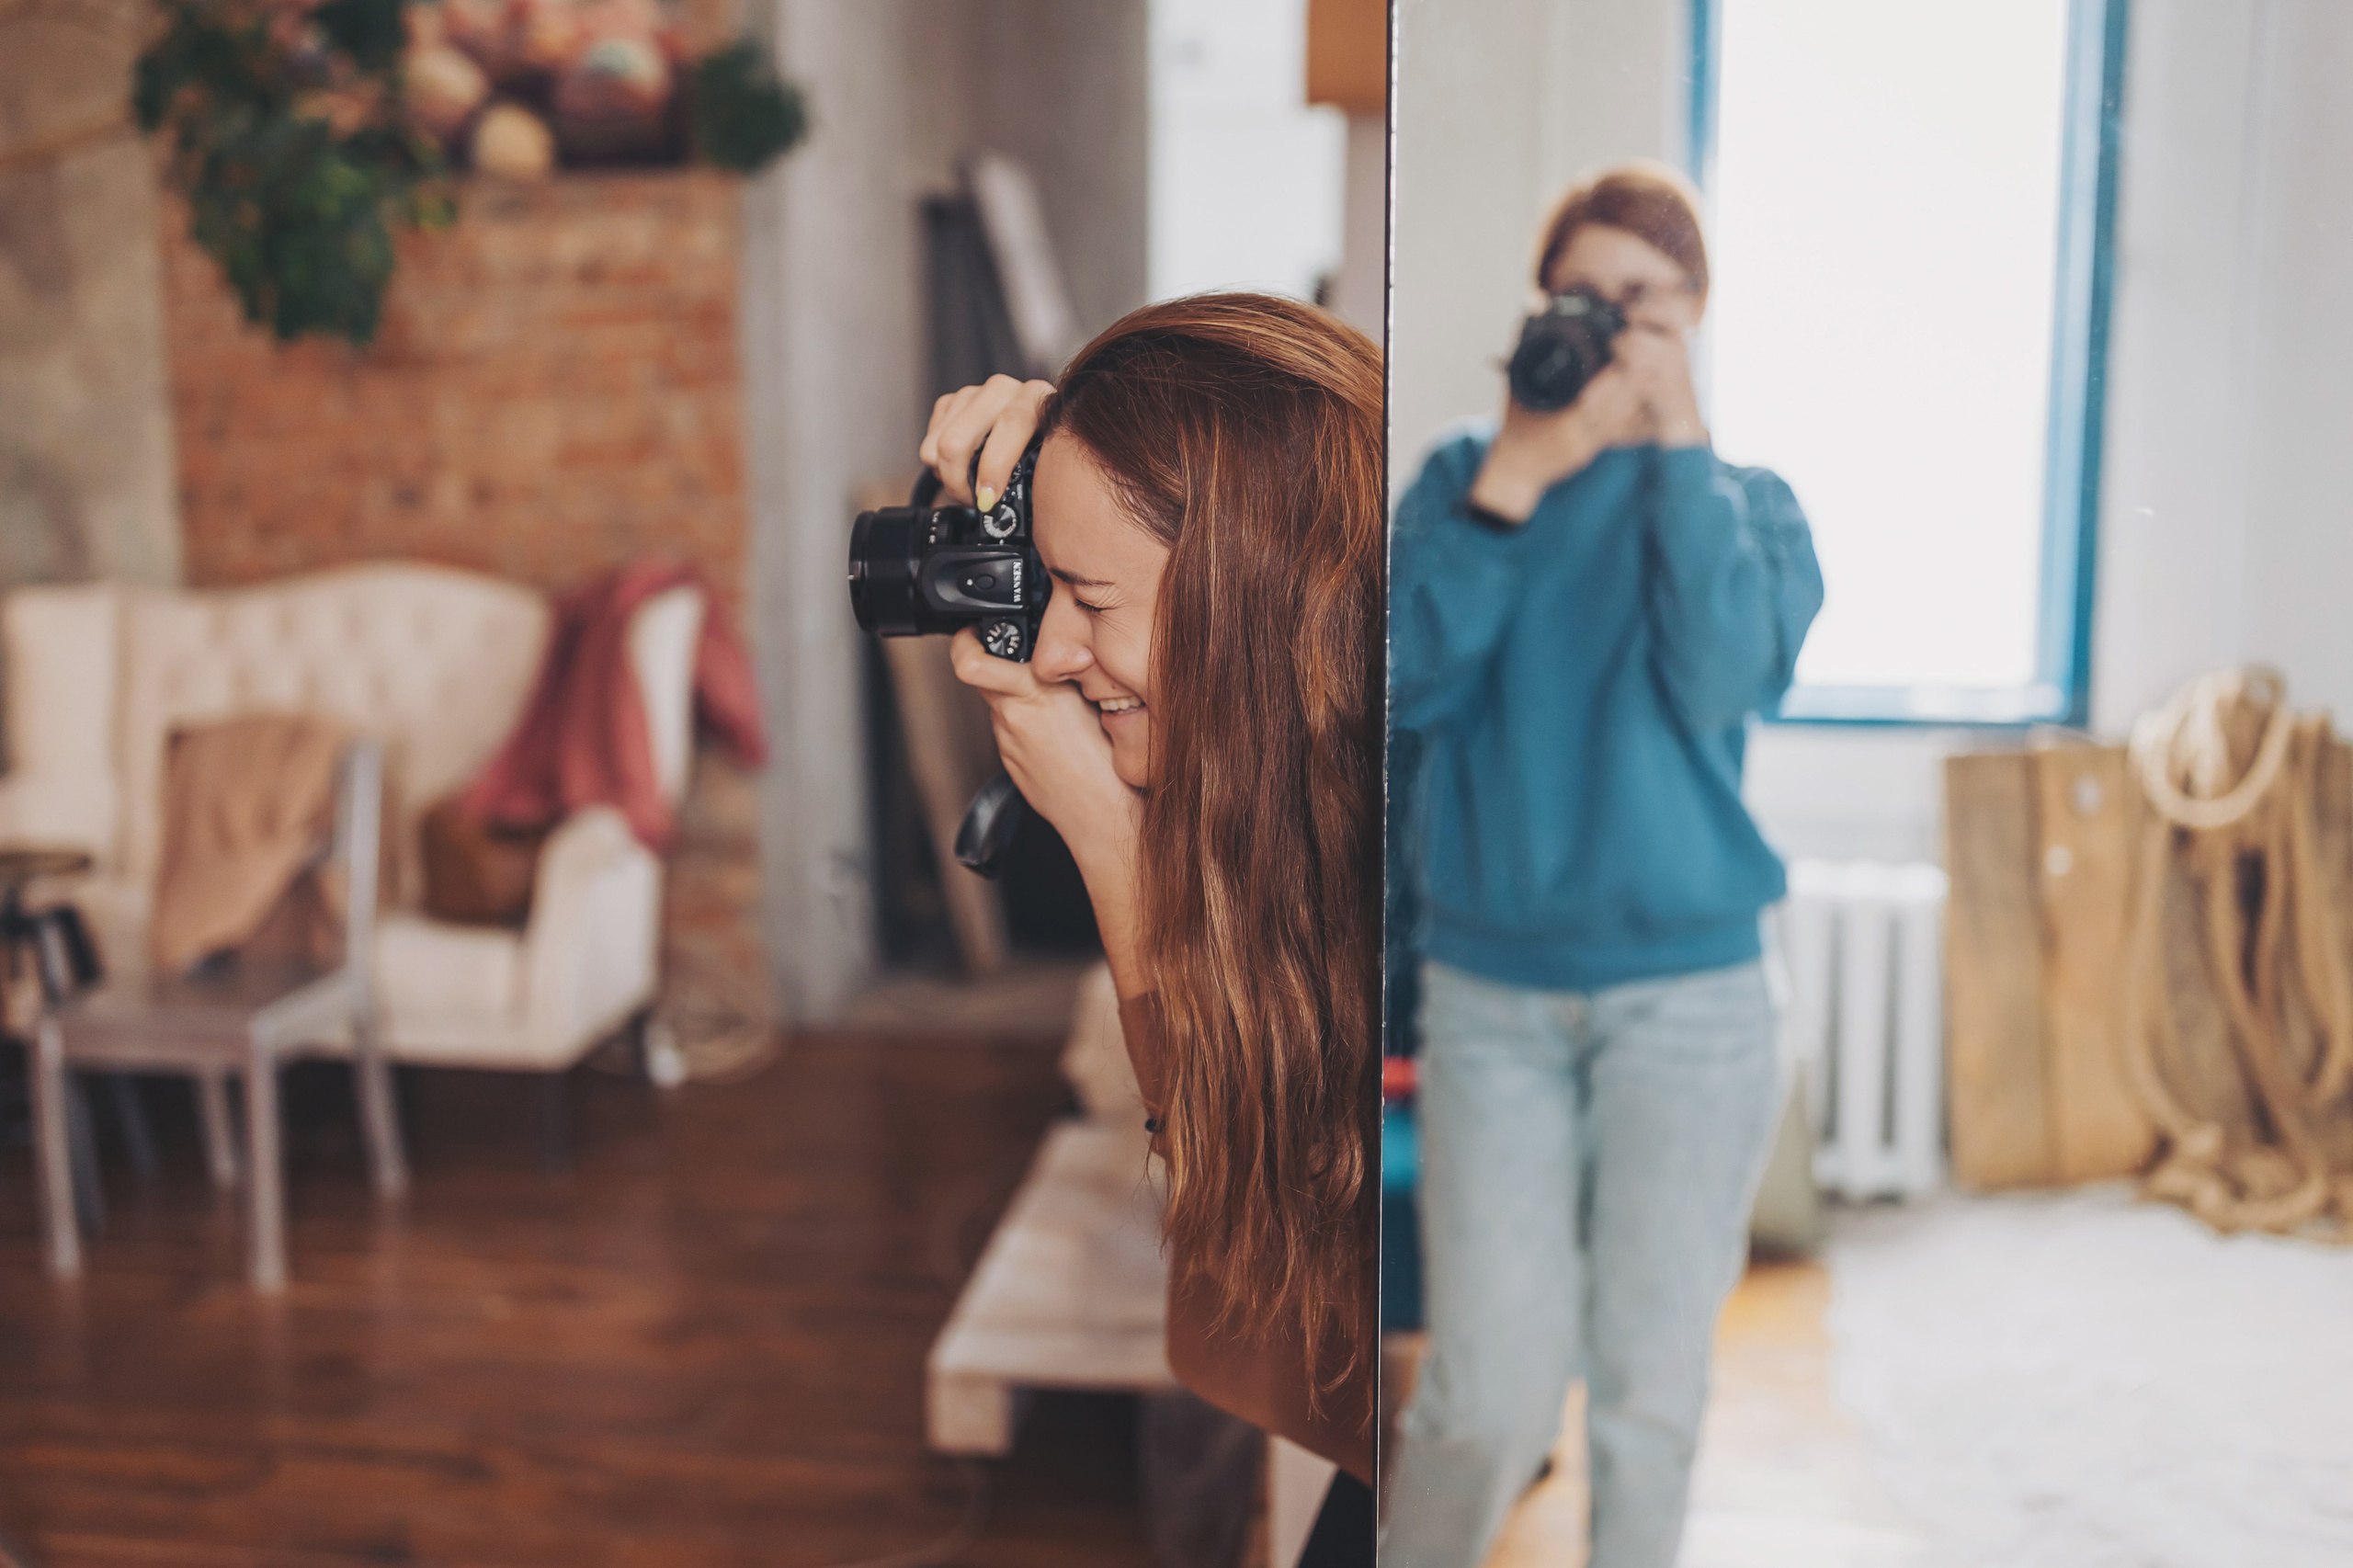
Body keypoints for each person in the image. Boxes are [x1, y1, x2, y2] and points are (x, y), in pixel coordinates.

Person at [1380, 163, 1824, 1567]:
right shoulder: (1463, 476)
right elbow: (1399, 681)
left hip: (1694, 1007)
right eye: (1582, 296)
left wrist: (1678, 449)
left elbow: (1719, 680)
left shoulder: (1750, 504)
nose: (1609, 325)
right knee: (1481, 1398)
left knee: (1649, 1395)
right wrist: (1516, 477)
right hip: (1492, 998)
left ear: (1696, 314)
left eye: (1644, 299)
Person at [926, 293, 1384, 1552]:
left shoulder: (1423, 859)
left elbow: (1273, 1260)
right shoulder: (1281, 777)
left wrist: (1111, 849)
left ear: (1253, 595)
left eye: (1088, 596)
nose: (1052, 653)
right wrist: (1057, 463)